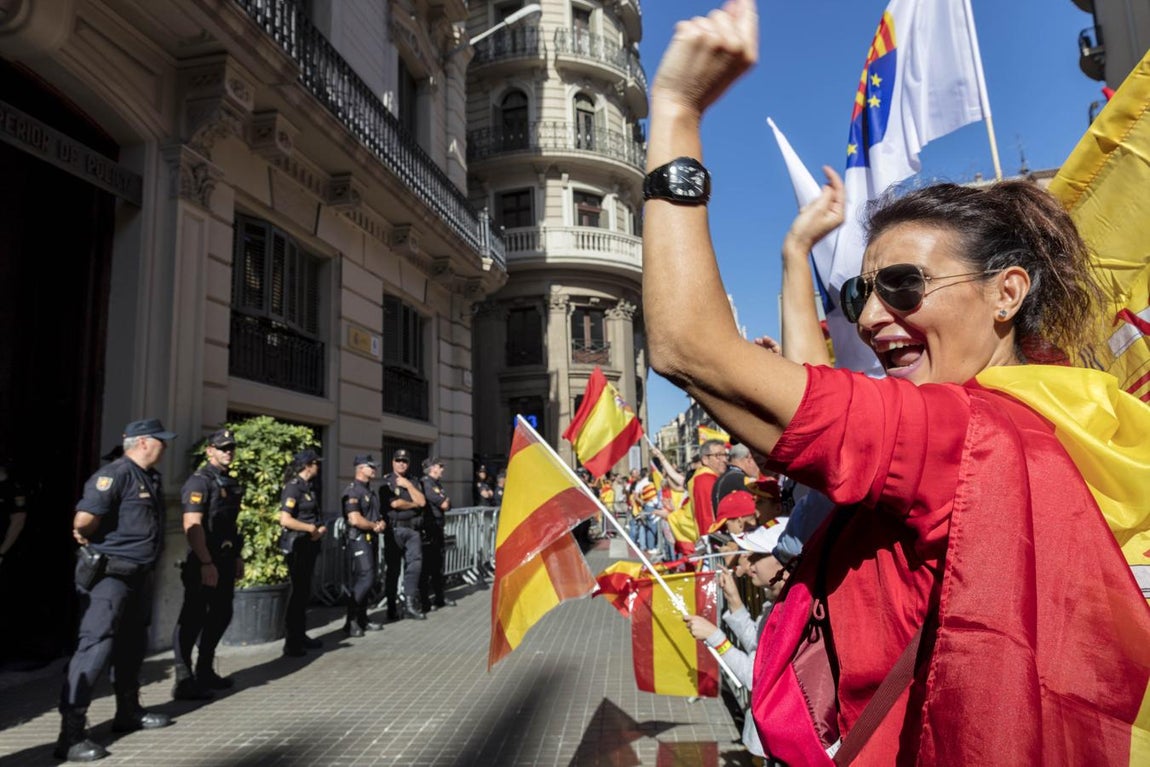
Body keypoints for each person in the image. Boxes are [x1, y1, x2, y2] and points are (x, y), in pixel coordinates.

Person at [643, 2, 1150, 763]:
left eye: (905, 286)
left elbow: (688, 345)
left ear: (1006, 293)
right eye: (859, 294)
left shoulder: (957, 435)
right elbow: (808, 384)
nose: (875, 318)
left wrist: (676, 112)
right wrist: (793, 257)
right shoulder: (1052, 410)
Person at [56, 419, 176, 762]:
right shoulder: (116, 473)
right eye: (160, 441)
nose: (164, 447)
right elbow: (83, 519)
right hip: (111, 576)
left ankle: (129, 712)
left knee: (132, 644)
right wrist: (85, 533)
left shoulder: (149, 477)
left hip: (139, 575)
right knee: (95, 646)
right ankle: (72, 733)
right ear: (141, 443)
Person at [684, 519, 791, 760]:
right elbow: (758, 642)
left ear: (786, 562)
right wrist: (734, 601)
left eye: (757, 556)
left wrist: (715, 637)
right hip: (771, 737)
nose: (748, 562)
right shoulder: (776, 602)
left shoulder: (790, 613)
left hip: (779, 741)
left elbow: (755, 676)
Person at [172, 428, 245, 700]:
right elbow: (192, 525)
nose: (228, 452)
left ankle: (205, 670)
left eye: (231, 447)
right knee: (192, 618)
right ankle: (183, 677)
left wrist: (237, 555)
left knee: (221, 614)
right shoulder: (198, 482)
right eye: (223, 447)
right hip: (204, 561)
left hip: (225, 560)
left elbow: (232, 525)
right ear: (209, 451)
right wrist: (205, 561)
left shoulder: (229, 482)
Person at [279, 448, 326, 657]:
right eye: (316, 463)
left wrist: (318, 529)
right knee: (297, 593)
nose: (318, 466)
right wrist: (311, 529)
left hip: (309, 544)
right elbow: (285, 520)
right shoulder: (293, 488)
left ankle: (301, 634)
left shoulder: (309, 487)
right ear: (307, 466)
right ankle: (292, 641)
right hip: (297, 545)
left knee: (304, 592)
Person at [341, 454, 385, 637]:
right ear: (360, 468)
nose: (374, 469)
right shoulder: (353, 491)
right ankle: (350, 621)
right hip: (358, 538)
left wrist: (380, 523)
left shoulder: (369, 491)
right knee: (365, 578)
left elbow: (375, 515)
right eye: (371, 466)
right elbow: (355, 519)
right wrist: (374, 526)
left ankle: (362, 618)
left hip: (370, 538)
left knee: (370, 578)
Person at [382, 448, 427, 621]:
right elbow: (395, 504)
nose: (401, 464)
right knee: (392, 570)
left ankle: (409, 605)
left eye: (405, 461)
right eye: (398, 460)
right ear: (393, 462)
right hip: (394, 530)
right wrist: (413, 504)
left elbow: (422, 501)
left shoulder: (413, 481)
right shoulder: (386, 481)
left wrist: (408, 486)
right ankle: (391, 608)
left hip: (413, 531)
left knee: (414, 566)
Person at [419, 456, 456, 612]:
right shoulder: (426, 484)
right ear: (432, 467)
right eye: (440, 466)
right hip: (430, 529)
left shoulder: (436, 484)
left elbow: (449, 504)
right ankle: (425, 601)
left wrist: (446, 501)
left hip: (438, 528)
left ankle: (439, 597)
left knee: (438, 565)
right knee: (427, 566)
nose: (442, 469)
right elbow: (444, 503)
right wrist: (445, 501)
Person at [688, 440, 727, 540]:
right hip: (713, 538)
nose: (724, 460)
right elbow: (707, 515)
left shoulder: (705, 476)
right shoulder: (705, 480)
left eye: (725, 455)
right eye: (718, 455)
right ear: (705, 459)